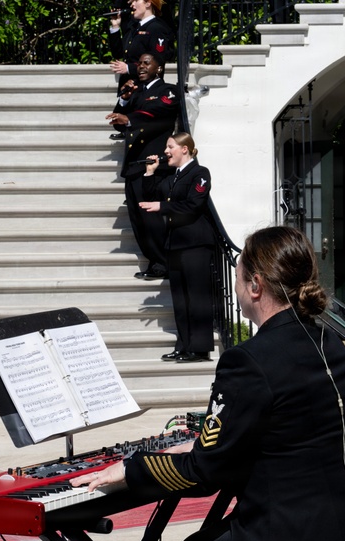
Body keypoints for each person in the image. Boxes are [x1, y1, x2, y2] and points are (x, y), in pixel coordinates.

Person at [71, 226, 345, 541]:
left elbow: (207, 473)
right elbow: (289, 434)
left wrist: (132, 470)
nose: (236, 284)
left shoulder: (249, 360)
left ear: (255, 285)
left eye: (238, 275)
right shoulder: (329, 341)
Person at [140, 132, 215, 362]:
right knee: (181, 300)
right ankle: (183, 345)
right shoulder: (173, 177)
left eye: (170, 146)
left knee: (197, 297)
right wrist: (150, 173)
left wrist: (162, 206)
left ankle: (199, 348)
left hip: (195, 244)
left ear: (185, 148)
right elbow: (152, 195)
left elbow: (193, 205)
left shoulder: (199, 173)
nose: (165, 151)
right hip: (176, 244)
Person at [106, 52, 178, 281]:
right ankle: (154, 261)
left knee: (152, 219)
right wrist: (124, 99)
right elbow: (119, 123)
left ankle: (163, 263)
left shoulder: (169, 90)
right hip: (134, 164)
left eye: (147, 63)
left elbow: (159, 111)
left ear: (160, 68)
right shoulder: (137, 91)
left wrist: (130, 119)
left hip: (153, 164)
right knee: (138, 219)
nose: (141, 67)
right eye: (139, 63)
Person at [107, 0, 174, 139]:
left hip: (144, 86)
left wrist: (129, 68)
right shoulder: (134, 27)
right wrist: (115, 27)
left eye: (136, 1)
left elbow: (158, 59)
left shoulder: (157, 28)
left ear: (148, 3)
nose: (131, 5)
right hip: (130, 84)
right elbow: (119, 53)